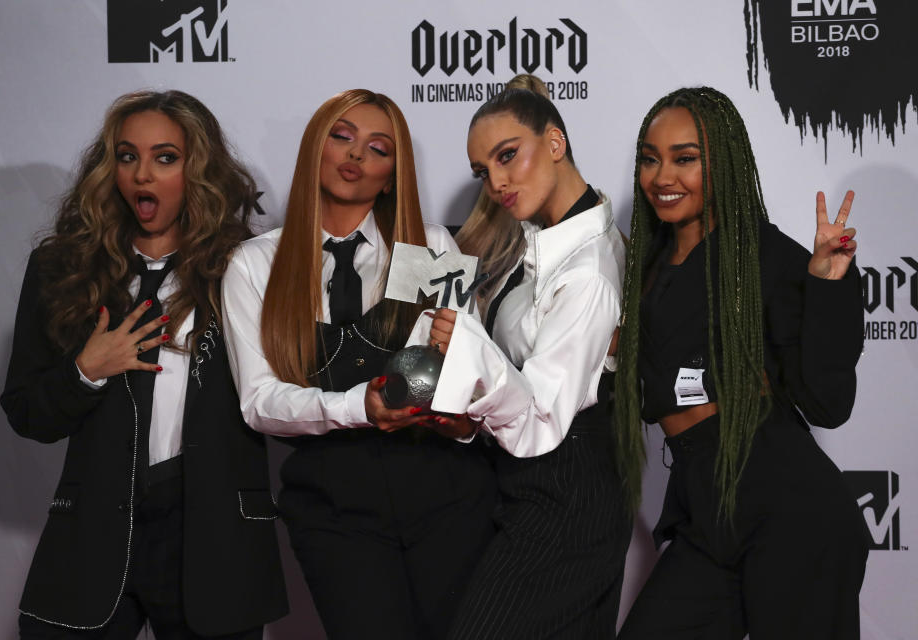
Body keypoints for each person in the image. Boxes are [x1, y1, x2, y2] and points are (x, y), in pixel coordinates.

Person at [0, 90, 288, 639]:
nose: (142, 176)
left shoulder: (248, 266)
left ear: (197, 168)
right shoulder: (61, 267)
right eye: (127, 156)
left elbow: (289, 391)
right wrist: (85, 369)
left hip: (215, 539)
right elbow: (26, 413)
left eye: (165, 157)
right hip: (92, 536)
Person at [221, 89, 497, 640]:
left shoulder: (430, 247)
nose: (356, 156)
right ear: (315, 148)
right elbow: (259, 402)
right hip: (334, 510)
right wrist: (358, 407)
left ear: (393, 175)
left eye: (378, 148)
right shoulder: (256, 264)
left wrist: (459, 396)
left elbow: (461, 376)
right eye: (342, 137)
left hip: (447, 494)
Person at [614, 87, 869, 639]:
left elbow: (827, 403)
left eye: (685, 158)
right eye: (650, 158)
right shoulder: (646, 262)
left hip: (786, 507)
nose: (663, 176)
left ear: (722, 162)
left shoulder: (762, 253)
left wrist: (826, 283)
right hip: (705, 511)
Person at [419, 84, 631, 638]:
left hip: (566, 492)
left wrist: (469, 350)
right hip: (531, 486)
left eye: (508, 155)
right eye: (481, 170)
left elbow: (539, 419)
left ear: (555, 141)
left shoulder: (586, 272)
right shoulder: (537, 241)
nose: (496, 183)